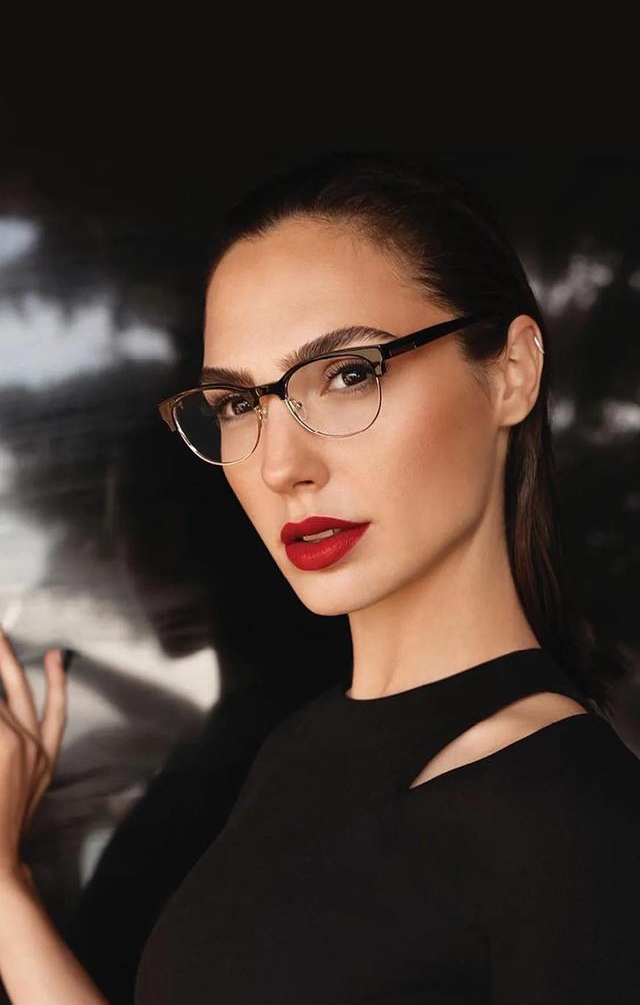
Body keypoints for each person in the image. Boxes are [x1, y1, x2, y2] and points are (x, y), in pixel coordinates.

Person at [0, 152, 639, 1004]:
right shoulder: (297, 746)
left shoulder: (568, 816)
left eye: (348, 374)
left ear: (511, 372)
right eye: (239, 405)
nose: (280, 467)